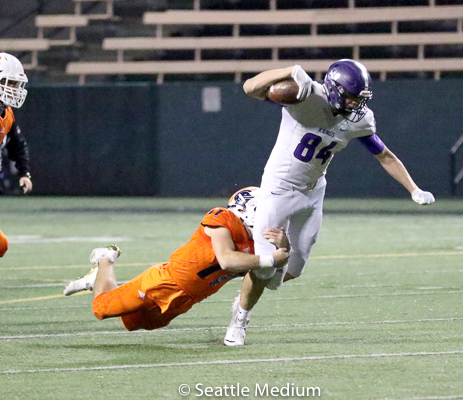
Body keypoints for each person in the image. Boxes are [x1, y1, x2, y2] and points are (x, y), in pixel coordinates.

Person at [223, 59, 435, 347]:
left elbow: (385, 156)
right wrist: (289, 71)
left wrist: (414, 188)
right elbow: (250, 88)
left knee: (292, 270)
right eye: (351, 96)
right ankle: (239, 320)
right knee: (264, 269)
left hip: (313, 192)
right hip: (278, 190)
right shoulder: (307, 97)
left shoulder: (359, 118)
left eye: (360, 98)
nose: (356, 103)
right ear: (334, 89)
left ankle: (253, 283)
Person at [63, 187, 290, 332]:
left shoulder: (259, 245)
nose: (268, 219)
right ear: (246, 208)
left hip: (189, 297)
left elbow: (271, 280)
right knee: (101, 308)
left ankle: (99, 279)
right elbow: (227, 260)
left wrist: (284, 247)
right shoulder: (223, 218)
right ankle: (104, 260)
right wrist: (272, 259)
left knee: (133, 323)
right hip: (164, 281)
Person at [0, 52, 33, 257]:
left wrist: (23, 172)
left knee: (1, 245)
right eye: (9, 83)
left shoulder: (7, 114)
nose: (14, 89)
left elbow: (17, 144)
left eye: (16, 84)